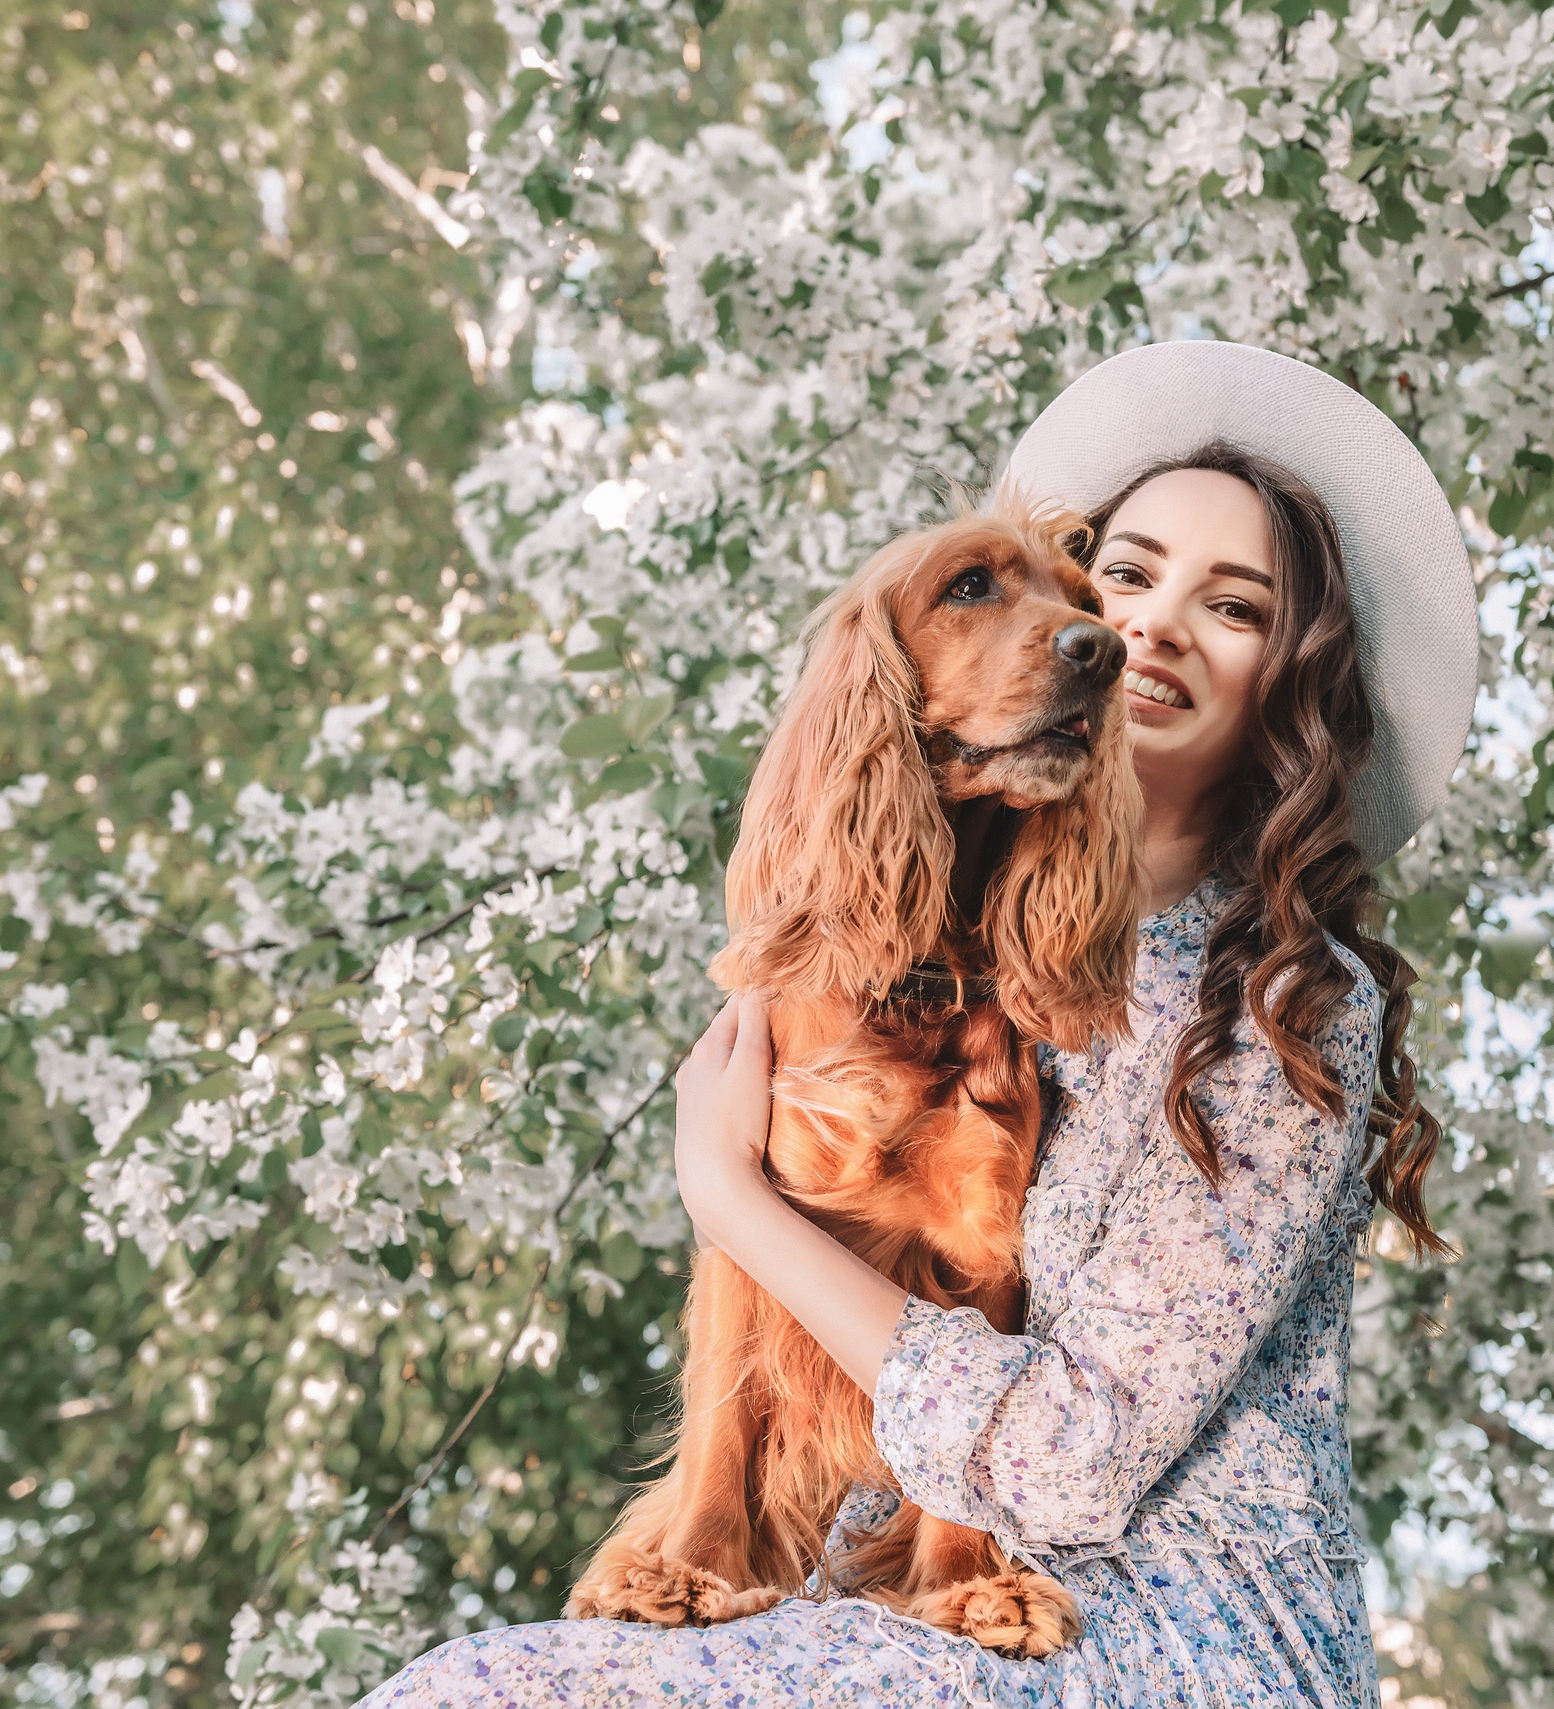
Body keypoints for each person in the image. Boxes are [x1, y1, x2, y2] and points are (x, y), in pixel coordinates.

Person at [358, 341, 1478, 1708]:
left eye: (1233, 607)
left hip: (1183, 1630)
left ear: (1288, 680)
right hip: (898, 1606)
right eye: (1124, 577)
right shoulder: (938, 963)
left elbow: (1075, 1458)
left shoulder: (1289, 1007)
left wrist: (728, 1194)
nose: (1135, 630)